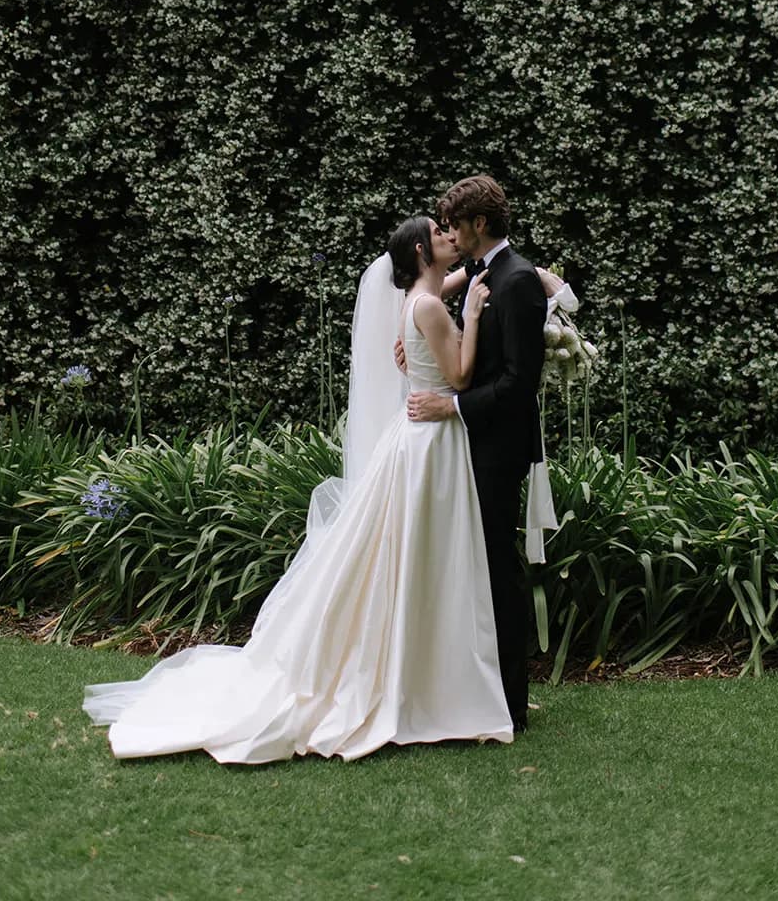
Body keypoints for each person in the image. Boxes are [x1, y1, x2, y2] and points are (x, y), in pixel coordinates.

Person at [82, 213, 515, 762]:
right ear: (421, 256)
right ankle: (422, 680)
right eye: (439, 235)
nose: (451, 238)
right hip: (429, 440)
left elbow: (438, 294)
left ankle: (421, 671)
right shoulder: (428, 305)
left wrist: (470, 289)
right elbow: (456, 376)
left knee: (407, 553)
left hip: (420, 438)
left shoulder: (420, 295)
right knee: (418, 553)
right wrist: (472, 319)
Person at [406, 175, 550, 734]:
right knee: (477, 571)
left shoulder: (517, 283)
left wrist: (453, 408)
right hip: (474, 445)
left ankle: (510, 703)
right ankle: (481, 688)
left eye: (455, 225)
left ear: (479, 225)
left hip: (497, 449)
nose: (450, 234)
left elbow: (519, 382)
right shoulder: (487, 275)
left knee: (496, 572)